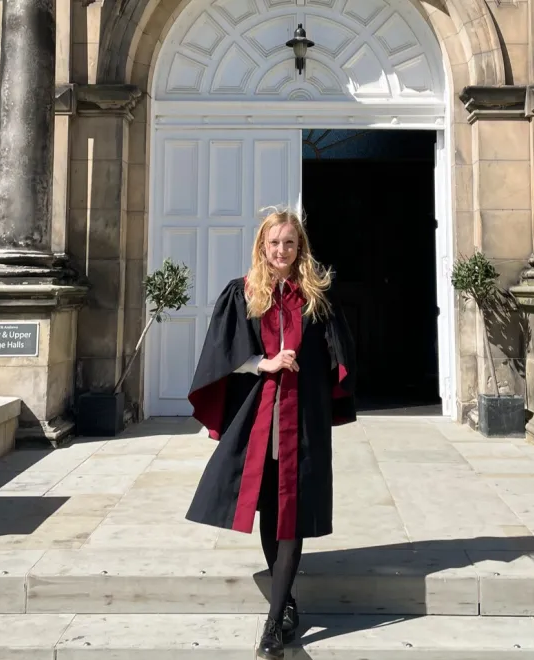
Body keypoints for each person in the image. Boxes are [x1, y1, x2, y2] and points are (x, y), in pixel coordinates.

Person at [185, 207, 357, 659]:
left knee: (292, 513)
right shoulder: (242, 294)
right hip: (262, 418)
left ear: (300, 248)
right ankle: (287, 604)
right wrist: (267, 362)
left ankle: (273, 624)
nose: (282, 250)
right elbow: (222, 357)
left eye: (290, 243)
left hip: (302, 422)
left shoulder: (316, 298)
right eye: (274, 243)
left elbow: (337, 356)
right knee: (269, 507)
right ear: (263, 247)